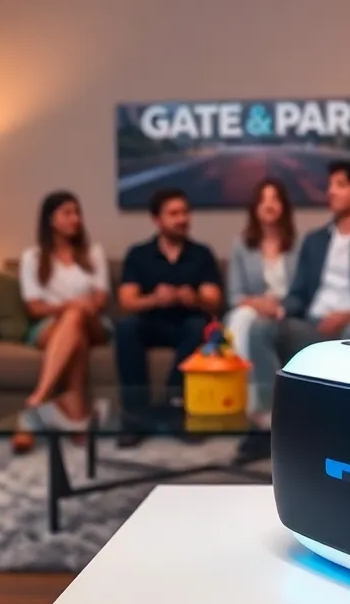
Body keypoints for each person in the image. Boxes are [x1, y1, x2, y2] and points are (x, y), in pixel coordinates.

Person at [238, 161, 350, 460]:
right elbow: (298, 294)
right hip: (310, 327)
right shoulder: (314, 241)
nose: (330, 192)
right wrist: (281, 310)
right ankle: (265, 424)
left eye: (340, 185)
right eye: (330, 185)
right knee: (260, 326)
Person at [114, 188, 223, 446]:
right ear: (157, 220)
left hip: (187, 324)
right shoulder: (139, 253)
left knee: (199, 326)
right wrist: (155, 299)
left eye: (185, 212)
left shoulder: (201, 253)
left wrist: (192, 298)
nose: (182, 219)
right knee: (126, 327)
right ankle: (135, 417)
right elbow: (126, 301)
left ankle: (173, 408)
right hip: (151, 323)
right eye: (174, 214)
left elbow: (214, 300)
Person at [13, 190, 110, 454]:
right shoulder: (32, 257)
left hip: (94, 322)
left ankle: (40, 397)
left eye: (77, 213)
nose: (75, 219)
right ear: (50, 219)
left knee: (77, 316)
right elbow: (34, 307)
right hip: (49, 326)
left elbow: (101, 299)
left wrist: (80, 307)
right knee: (74, 331)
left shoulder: (93, 252)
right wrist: (69, 306)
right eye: (67, 213)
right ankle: (76, 415)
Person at [225, 178, 298, 425]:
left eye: (275, 198)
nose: (269, 205)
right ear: (254, 207)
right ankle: (254, 402)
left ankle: (256, 404)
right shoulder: (241, 244)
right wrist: (259, 305)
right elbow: (234, 295)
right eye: (263, 199)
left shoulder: (297, 245)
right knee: (242, 318)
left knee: (247, 321)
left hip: (284, 313)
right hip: (251, 310)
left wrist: (279, 306)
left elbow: (302, 291)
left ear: (283, 206)